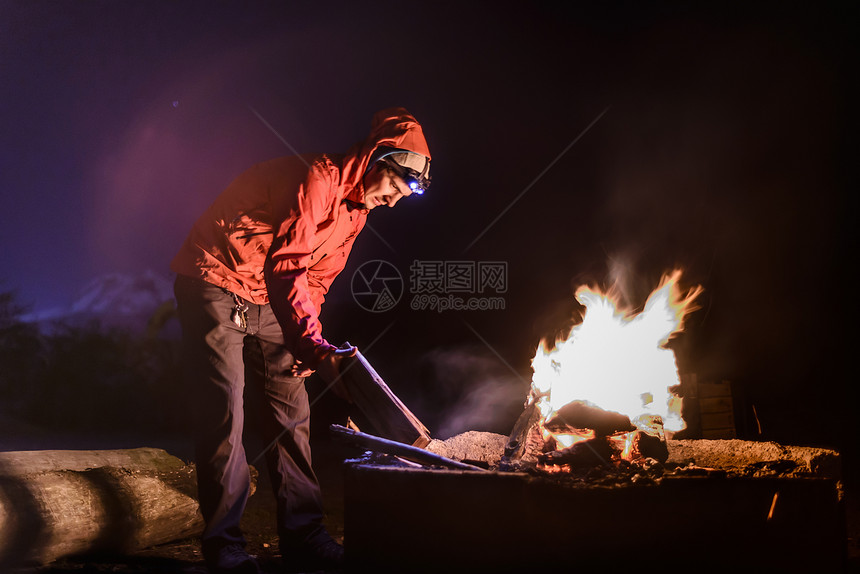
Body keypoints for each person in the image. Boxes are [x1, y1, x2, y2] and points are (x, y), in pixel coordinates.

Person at [171, 107, 431, 574]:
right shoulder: (316, 177)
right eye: (393, 187)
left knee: (292, 413)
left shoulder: (357, 212)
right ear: (377, 160)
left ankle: (305, 535)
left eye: (402, 197)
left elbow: (315, 281)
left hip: (271, 296)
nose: (393, 202)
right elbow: (287, 264)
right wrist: (310, 344)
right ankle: (224, 544)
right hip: (217, 277)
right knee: (224, 411)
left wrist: (310, 345)